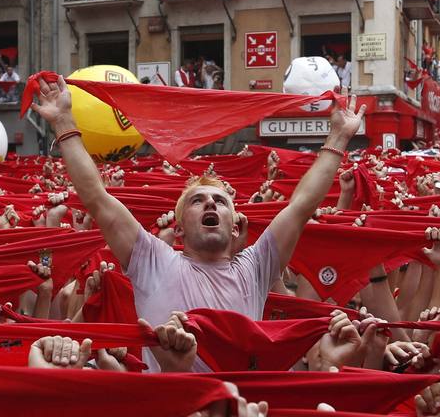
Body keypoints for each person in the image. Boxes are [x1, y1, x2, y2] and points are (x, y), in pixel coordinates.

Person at [27, 71, 365, 351]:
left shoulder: (256, 267)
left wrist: (337, 136)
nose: (210, 204)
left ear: (235, 228)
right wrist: (64, 123)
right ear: (179, 231)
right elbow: (97, 199)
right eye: (197, 200)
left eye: (220, 202)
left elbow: (302, 205)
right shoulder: (153, 261)